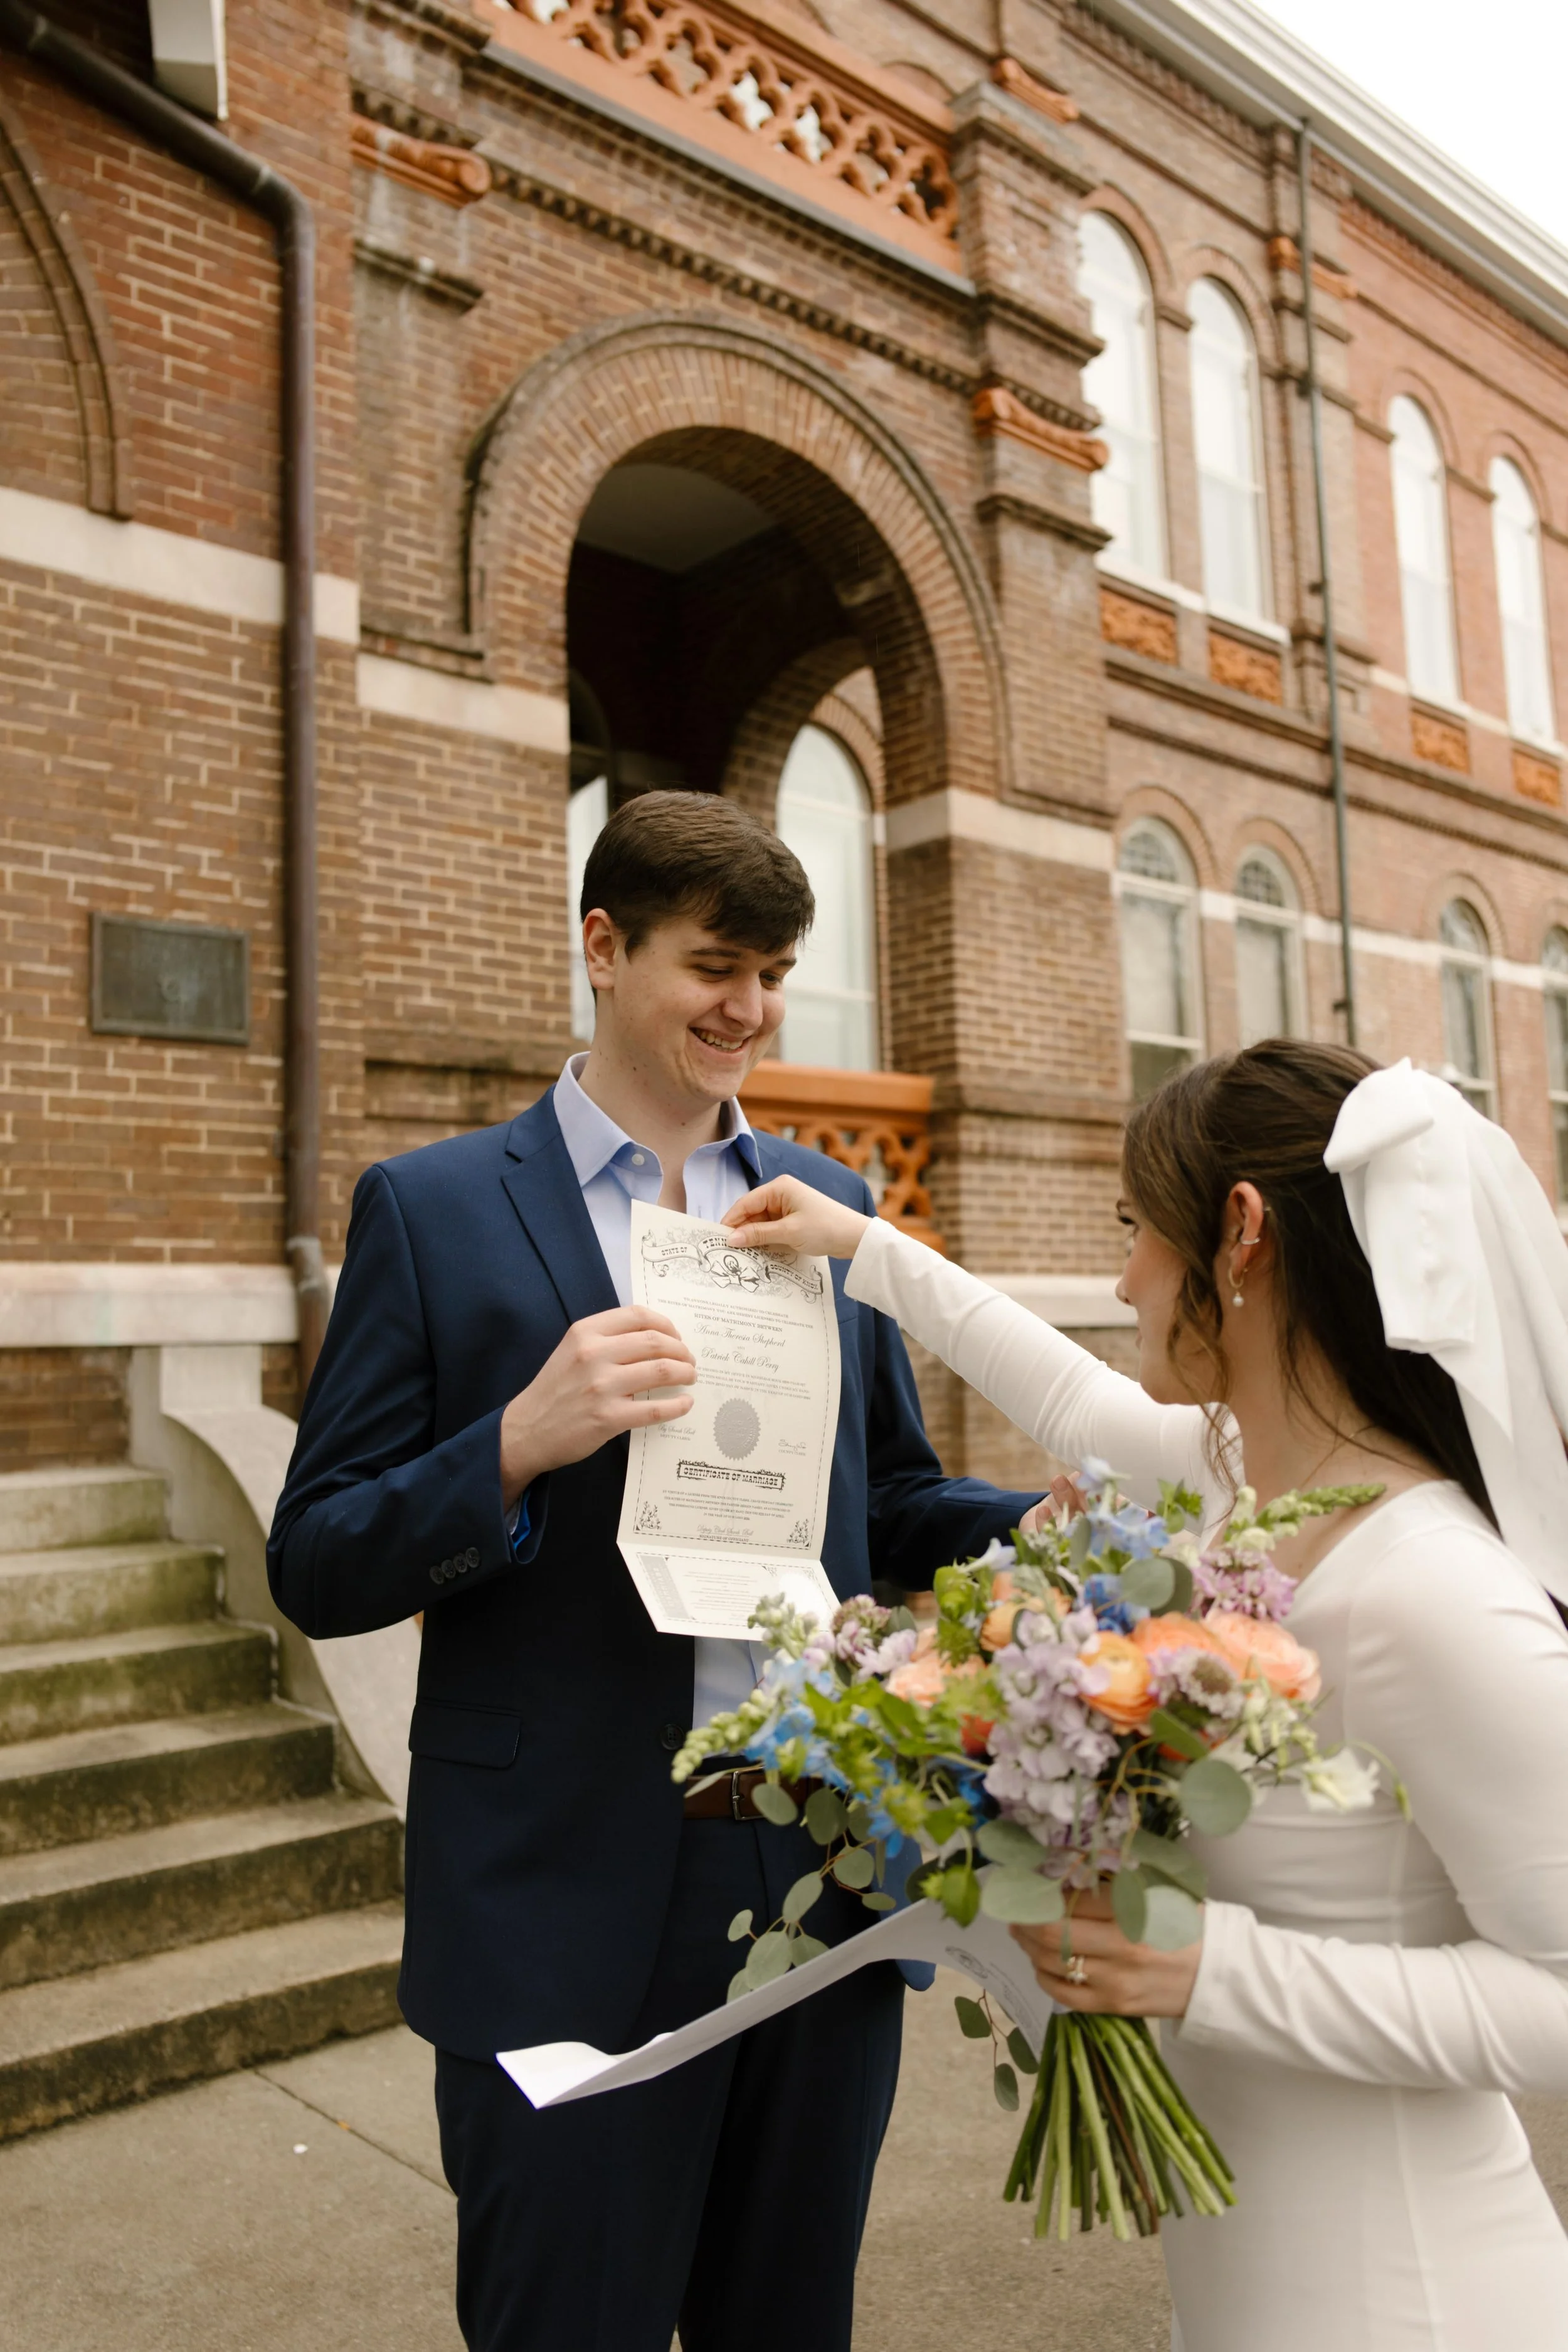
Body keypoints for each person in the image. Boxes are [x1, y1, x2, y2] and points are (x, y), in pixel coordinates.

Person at [266, 790, 1046, 2352]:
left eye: (771, 972)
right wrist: (513, 1443)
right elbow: (318, 1556)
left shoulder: (826, 1202)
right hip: (558, 1888)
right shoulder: (432, 1211)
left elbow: (883, 1501)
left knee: (786, 2322)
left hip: (818, 1876)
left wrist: (1042, 1522)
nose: (748, 1008)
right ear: (604, 948)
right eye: (715, 966)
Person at [723, 1038, 1568, 2352]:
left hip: (1408, 2295)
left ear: (1239, 1237)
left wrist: (1203, 1969)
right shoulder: (1235, 1486)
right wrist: (860, 1251)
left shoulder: (1435, 1596)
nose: (1119, 1281)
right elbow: (1062, 1388)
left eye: (1133, 1233)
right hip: (1239, 2276)